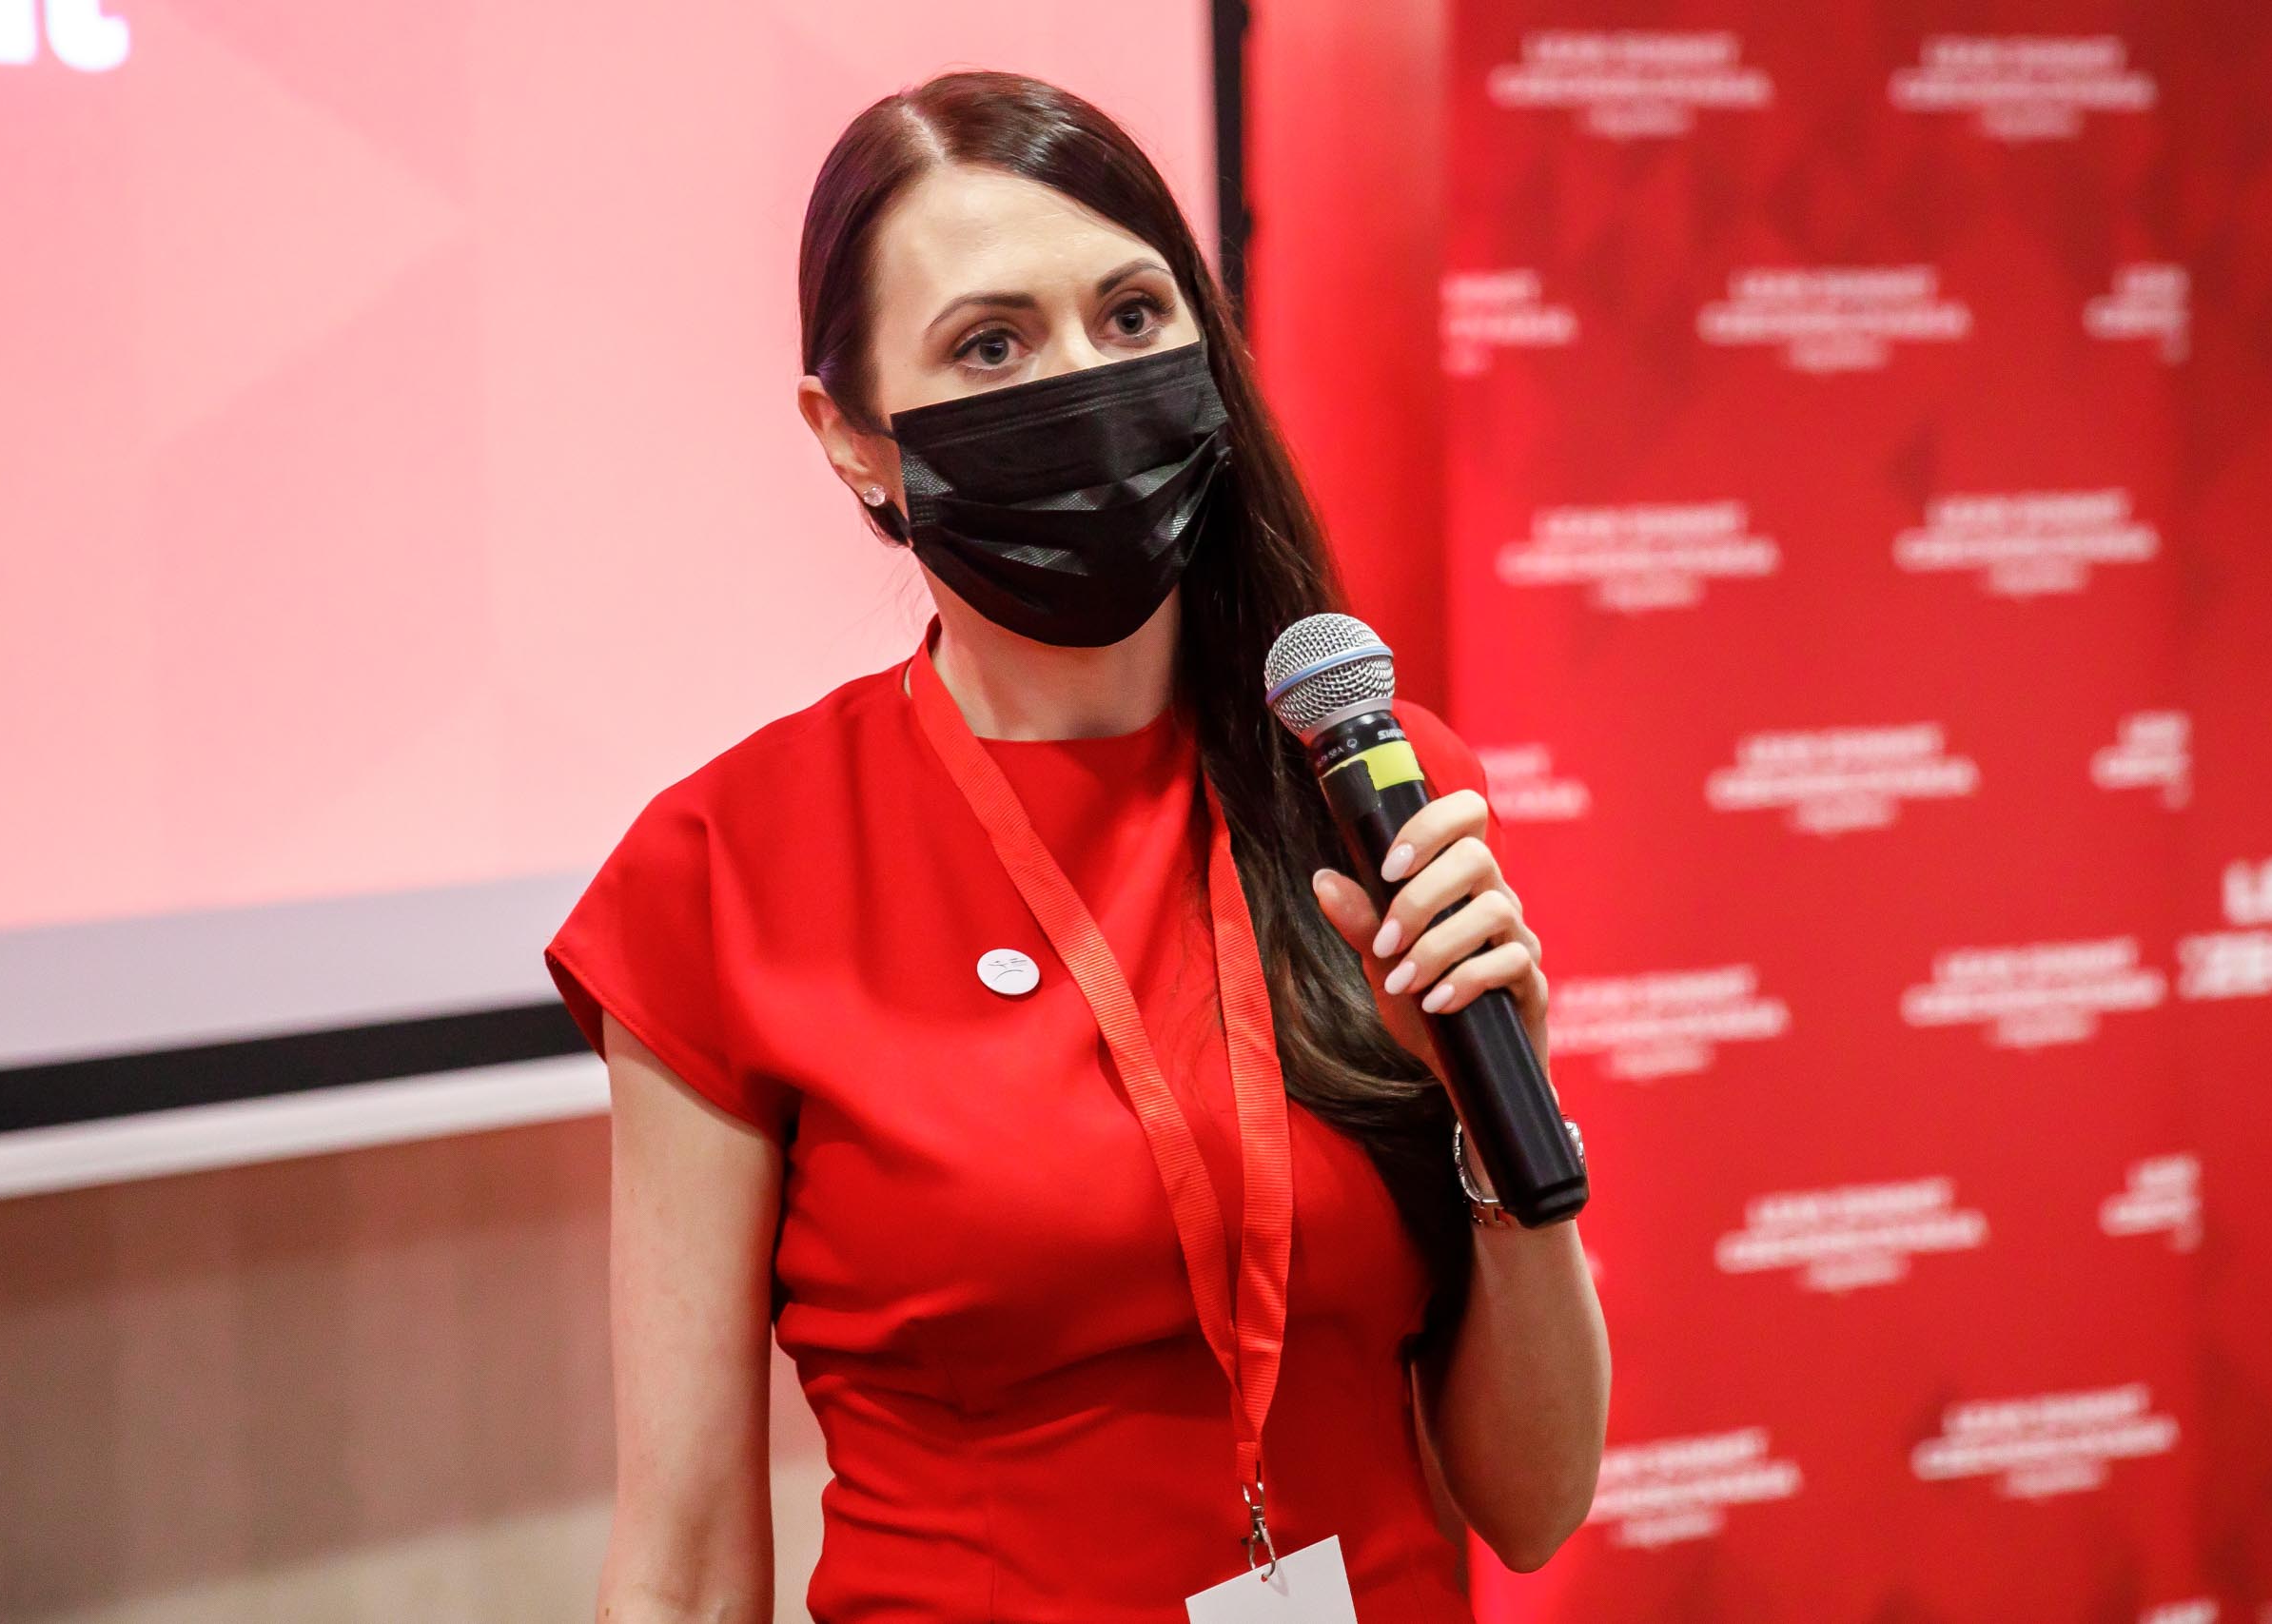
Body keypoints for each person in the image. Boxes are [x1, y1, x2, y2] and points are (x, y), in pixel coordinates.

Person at [545, 68, 1609, 1624]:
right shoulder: (726, 872)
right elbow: (688, 1566)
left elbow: (1536, 1499)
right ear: (853, 440)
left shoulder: (1368, 787)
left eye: (1130, 316)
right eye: (992, 344)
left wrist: (1494, 1119)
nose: (1086, 381)